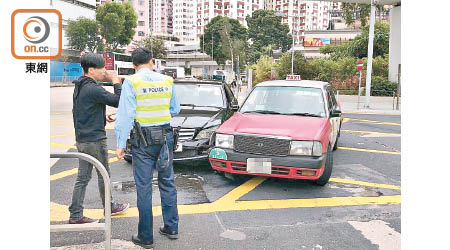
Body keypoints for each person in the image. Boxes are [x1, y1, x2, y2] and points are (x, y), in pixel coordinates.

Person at [114, 47, 180, 249]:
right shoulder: (167, 80)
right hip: (165, 137)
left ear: (133, 65)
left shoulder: (131, 82)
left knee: (144, 187)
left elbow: (125, 115)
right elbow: (175, 109)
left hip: (143, 141)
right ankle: (171, 227)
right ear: (152, 61)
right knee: (167, 182)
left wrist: (119, 144)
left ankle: (146, 236)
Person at [70, 53, 130, 224]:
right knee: (104, 174)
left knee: (83, 177)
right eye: (101, 68)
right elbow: (119, 101)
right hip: (94, 140)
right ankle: (109, 206)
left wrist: (102, 118)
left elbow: (83, 111)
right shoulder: (93, 88)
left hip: (83, 139)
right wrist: (116, 81)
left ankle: (75, 214)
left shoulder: (80, 86)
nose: (105, 71)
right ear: (91, 70)